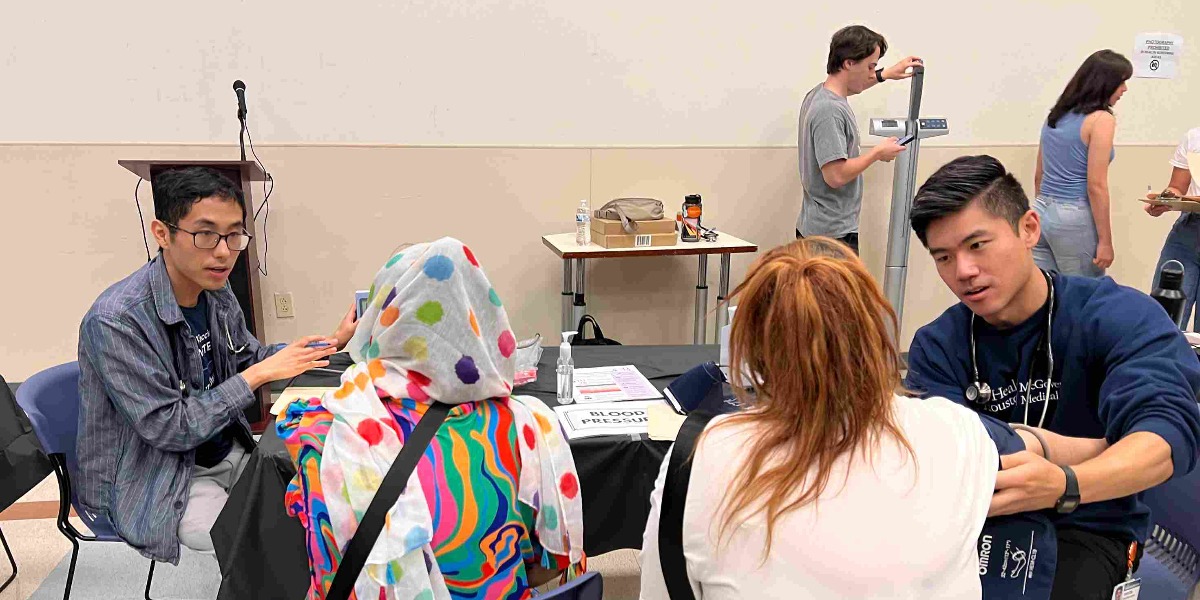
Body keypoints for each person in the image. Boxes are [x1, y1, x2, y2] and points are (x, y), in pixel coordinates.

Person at [641, 237, 1012, 598]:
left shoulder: (702, 456)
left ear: (754, 350)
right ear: (872, 332)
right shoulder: (957, 433)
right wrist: (1067, 482)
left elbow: (660, 589)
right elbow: (1034, 447)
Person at [906, 155, 1200, 599]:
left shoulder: (1114, 315)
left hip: (1088, 525)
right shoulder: (938, 347)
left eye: (978, 245)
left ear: (1029, 228)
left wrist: (1065, 484)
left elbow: (1165, 440)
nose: (963, 271)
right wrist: (1097, 447)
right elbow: (943, 463)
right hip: (974, 531)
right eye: (944, 257)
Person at [278, 237, 585, 600]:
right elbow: (550, 562)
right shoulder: (530, 428)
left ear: (382, 320)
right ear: (484, 322)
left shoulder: (325, 436)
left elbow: (331, 578)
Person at [76, 167, 356, 563]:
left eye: (233, 234)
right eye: (205, 234)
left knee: (326, 501)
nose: (224, 251)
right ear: (162, 233)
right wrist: (257, 374)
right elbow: (170, 427)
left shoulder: (215, 291)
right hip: (160, 480)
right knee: (266, 543)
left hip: (229, 451)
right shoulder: (117, 321)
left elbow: (251, 357)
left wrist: (333, 342)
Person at [795, 24, 922, 254]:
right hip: (831, 238)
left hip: (821, 228)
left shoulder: (819, 94)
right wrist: (876, 153)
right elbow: (835, 175)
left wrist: (886, 74)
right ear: (849, 63)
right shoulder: (829, 111)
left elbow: (857, 85)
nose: (872, 73)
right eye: (870, 66)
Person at [1033, 50, 1132, 277]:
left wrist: (1046, 213)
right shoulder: (1101, 120)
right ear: (1104, 83)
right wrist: (1105, 241)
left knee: (1047, 295)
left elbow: (1039, 175)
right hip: (1073, 217)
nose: (1124, 89)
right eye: (1121, 82)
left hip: (1041, 212)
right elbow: (1095, 185)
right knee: (1084, 297)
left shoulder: (1055, 116)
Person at [1145, 127, 1200, 329]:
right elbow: (1177, 186)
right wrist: (1166, 198)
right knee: (1163, 317)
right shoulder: (1194, 137)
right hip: (1188, 230)